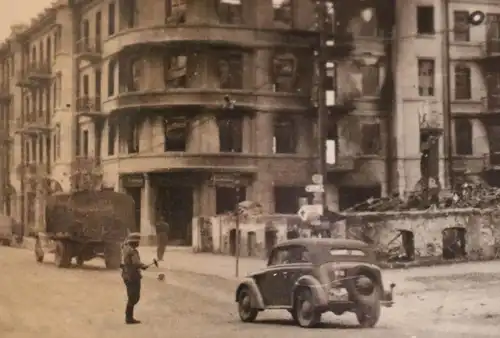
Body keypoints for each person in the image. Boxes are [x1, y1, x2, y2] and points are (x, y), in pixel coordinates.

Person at [121, 232, 149, 324]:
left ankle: (128, 316)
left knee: (131, 296)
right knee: (134, 297)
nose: (139, 243)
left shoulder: (125, 248)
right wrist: (143, 266)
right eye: (138, 241)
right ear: (134, 242)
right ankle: (129, 317)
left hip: (126, 275)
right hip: (133, 276)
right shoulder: (132, 251)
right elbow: (136, 263)